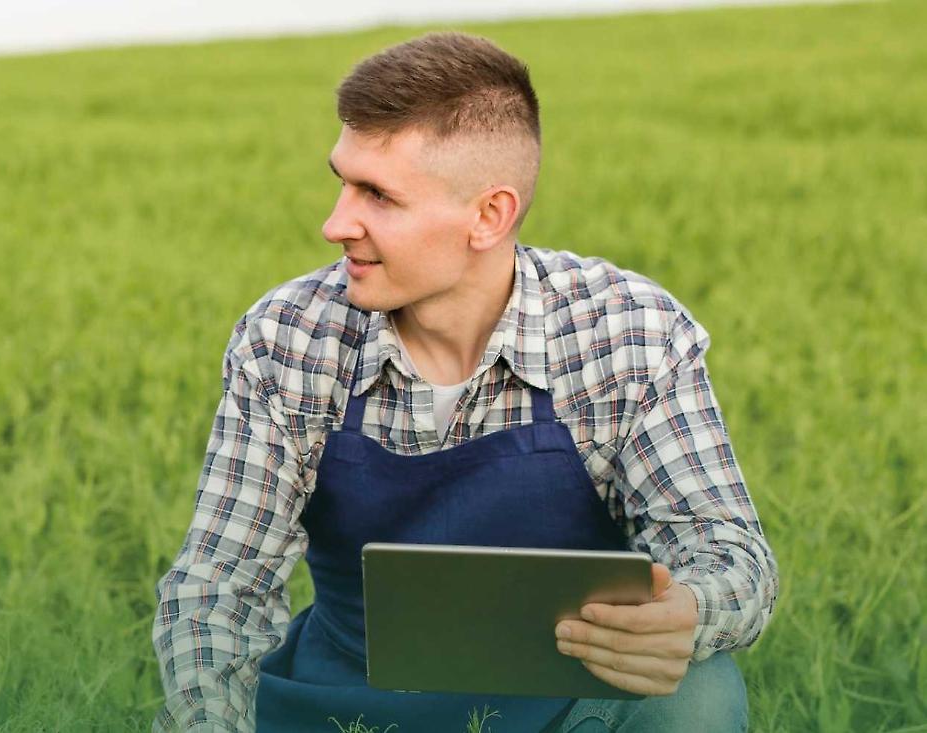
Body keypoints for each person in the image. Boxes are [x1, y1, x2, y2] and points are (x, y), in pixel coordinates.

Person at [153, 32, 778, 733]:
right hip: (346, 705)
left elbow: (728, 553)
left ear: (490, 215)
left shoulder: (627, 330)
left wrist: (685, 610)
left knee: (698, 696)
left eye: (379, 196)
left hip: (562, 702)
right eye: (342, 180)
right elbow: (219, 587)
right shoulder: (287, 338)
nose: (335, 223)